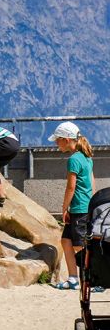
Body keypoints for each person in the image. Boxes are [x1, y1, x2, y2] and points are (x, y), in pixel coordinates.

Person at [50, 121, 94, 290]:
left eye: (58, 140)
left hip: (78, 209)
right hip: (85, 205)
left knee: (79, 245)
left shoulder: (74, 159)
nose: (56, 143)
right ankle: (73, 278)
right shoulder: (86, 157)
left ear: (67, 139)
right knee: (66, 241)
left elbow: (71, 187)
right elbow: (91, 181)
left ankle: (92, 279)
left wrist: (64, 208)